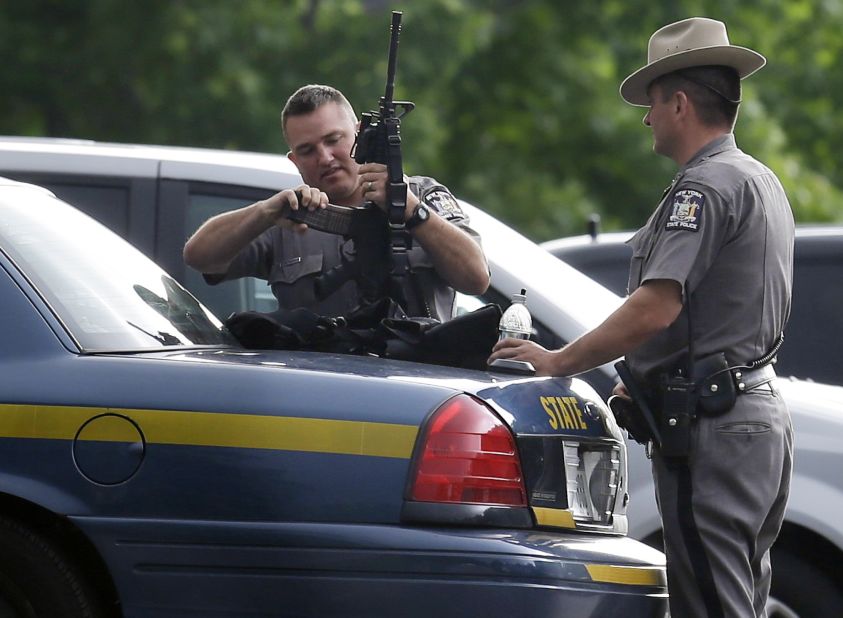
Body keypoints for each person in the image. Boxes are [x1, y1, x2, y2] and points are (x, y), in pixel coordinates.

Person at [489, 17, 794, 618]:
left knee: (710, 603)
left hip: (717, 427)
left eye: (653, 104)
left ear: (679, 103)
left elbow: (658, 305)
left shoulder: (701, 189)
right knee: (736, 600)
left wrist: (558, 361)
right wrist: (647, 373)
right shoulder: (758, 178)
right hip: (751, 419)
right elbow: (720, 310)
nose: (646, 118)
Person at [183, 84, 489, 321]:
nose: (325, 158)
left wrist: (409, 210)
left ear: (359, 134)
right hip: (321, 390)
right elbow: (199, 257)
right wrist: (266, 211)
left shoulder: (421, 196)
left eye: (333, 140)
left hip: (413, 390)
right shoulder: (289, 216)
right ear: (294, 160)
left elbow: (476, 278)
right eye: (307, 150)